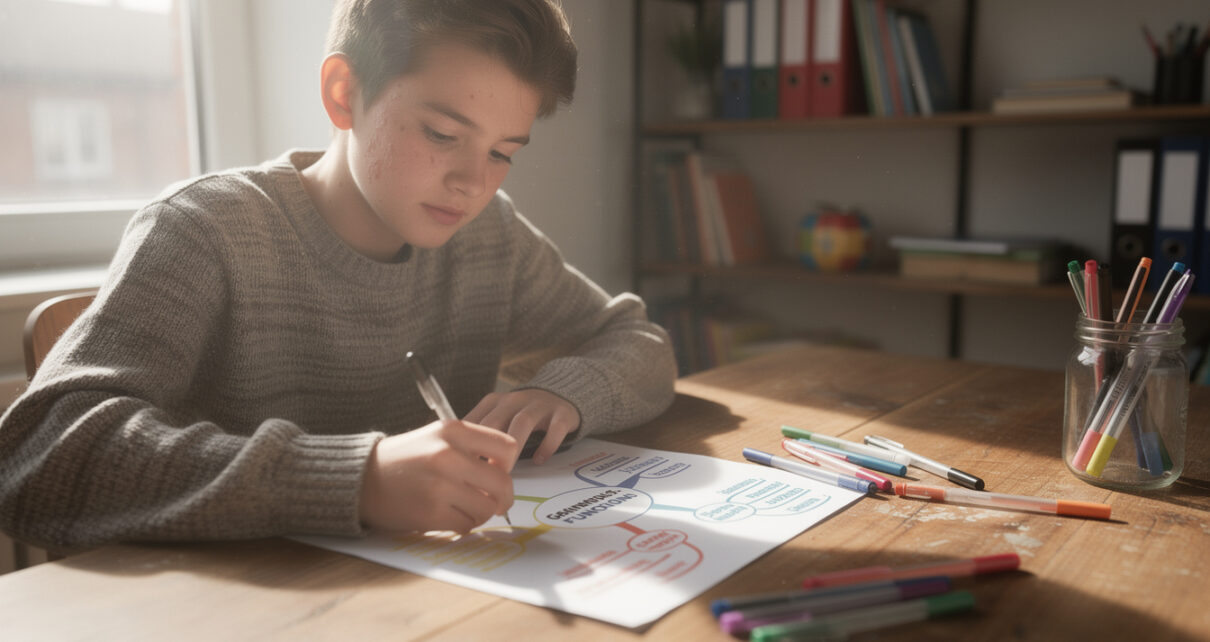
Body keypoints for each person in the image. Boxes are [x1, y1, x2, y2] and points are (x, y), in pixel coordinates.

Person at [0, 0, 676, 551]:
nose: (473, 183)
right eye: (442, 134)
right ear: (343, 92)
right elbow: (35, 460)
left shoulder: (487, 235)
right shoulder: (205, 231)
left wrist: (570, 391)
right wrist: (355, 481)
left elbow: (639, 341)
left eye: (502, 152)